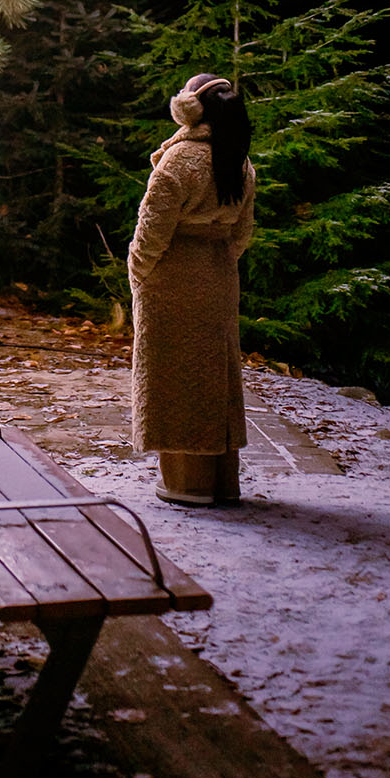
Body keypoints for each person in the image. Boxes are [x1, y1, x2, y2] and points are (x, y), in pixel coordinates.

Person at [128, 72, 255, 506]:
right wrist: (220, 264)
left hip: (174, 278)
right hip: (219, 274)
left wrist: (139, 273)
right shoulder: (238, 159)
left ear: (188, 109)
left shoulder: (178, 163)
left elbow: (151, 234)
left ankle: (187, 483)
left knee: (175, 379)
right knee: (216, 375)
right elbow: (243, 233)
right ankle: (223, 481)